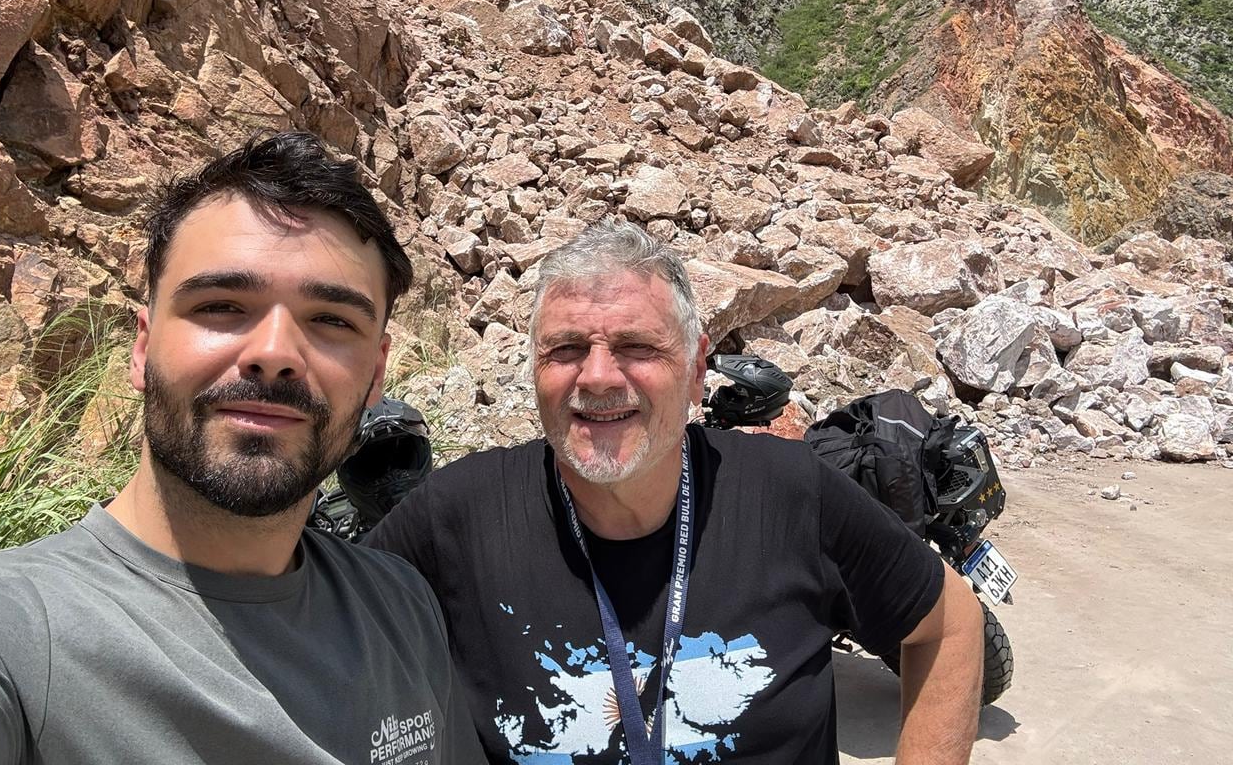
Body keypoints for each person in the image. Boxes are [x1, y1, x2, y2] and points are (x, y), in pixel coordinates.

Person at [0, 133, 486, 765]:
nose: (275, 354)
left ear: (375, 376)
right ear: (143, 348)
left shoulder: (401, 605)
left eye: (332, 321)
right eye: (223, 306)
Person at [367, 220, 984, 764]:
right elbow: (311, 637)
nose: (599, 377)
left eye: (637, 348)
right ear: (534, 369)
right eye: (566, 349)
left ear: (694, 370)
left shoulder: (790, 494)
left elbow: (950, 626)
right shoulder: (460, 516)